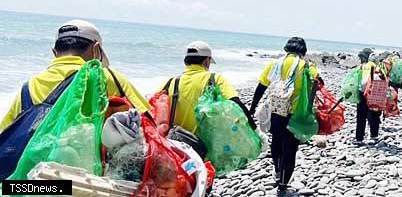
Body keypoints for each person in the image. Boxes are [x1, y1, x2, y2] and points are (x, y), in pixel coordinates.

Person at [0, 19, 150, 132]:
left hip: (31, 169)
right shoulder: (108, 78)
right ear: (96, 50)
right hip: (87, 170)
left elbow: (5, 132)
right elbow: (149, 123)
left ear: (54, 52)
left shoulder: (28, 87)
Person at [249, 37, 319, 196]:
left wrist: (252, 108)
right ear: (303, 51)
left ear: (286, 49)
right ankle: (283, 184)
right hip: (296, 114)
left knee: (277, 143)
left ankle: (277, 170)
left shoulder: (274, 64)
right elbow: (317, 83)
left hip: (276, 111)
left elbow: (261, 87)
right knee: (290, 148)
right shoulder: (307, 65)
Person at [159, 41, 259, 135]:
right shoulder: (216, 79)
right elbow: (237, 104)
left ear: (185, 62)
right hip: (206, 147)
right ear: (207, 60)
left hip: (174, 145)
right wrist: (256, 130)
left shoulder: (170, 82)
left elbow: (153, 111)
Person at [352, 48, 383, 146]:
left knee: (361, 116)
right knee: (374, 114)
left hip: (361, 93)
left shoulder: (361, 67)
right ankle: (374, 135)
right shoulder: (375, 66)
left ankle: (359, 138)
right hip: (373, 93)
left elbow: (356, 81)